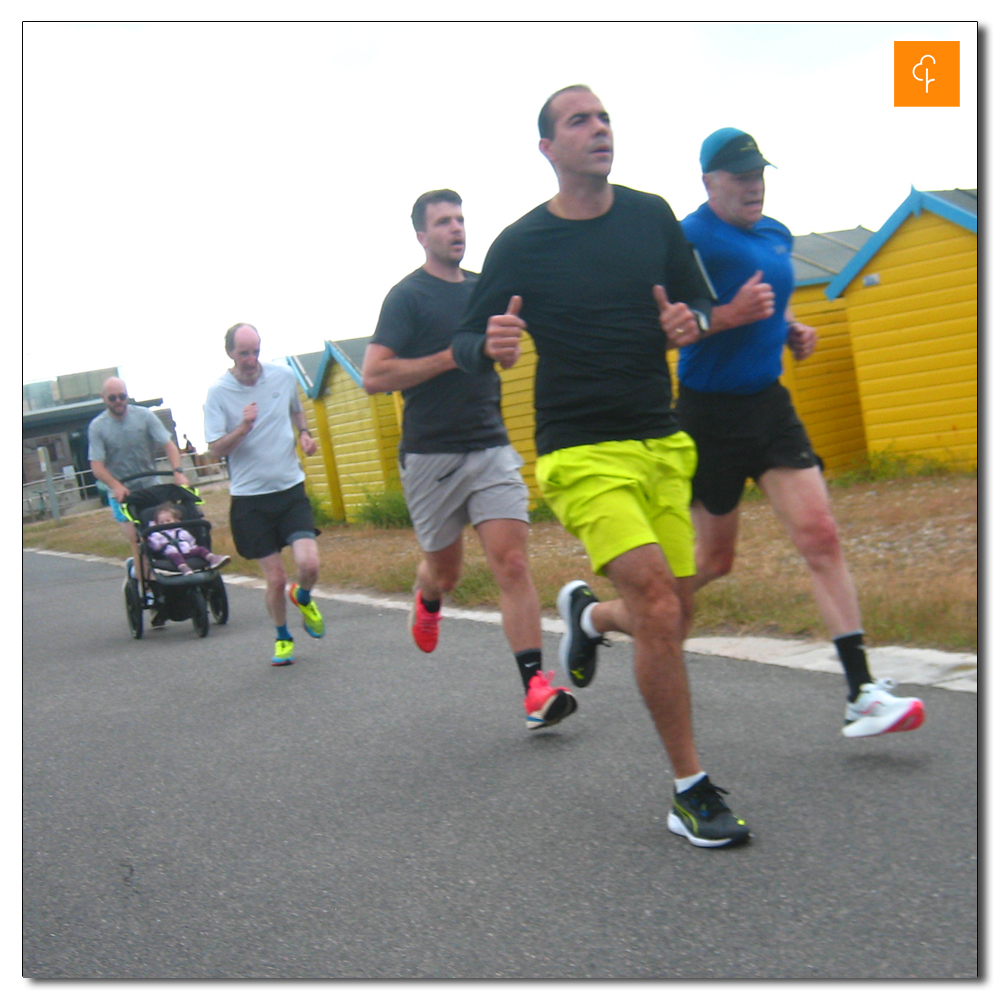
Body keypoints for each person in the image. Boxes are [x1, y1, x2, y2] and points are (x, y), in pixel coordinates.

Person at [451, 85, 750, 848]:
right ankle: (690, 790)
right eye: (579, 120)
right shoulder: (520, 245)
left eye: (605, 116)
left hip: (660, 439)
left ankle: (587, 616)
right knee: (656, 602)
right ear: (548, 149)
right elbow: (465, 339)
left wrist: (692, 322)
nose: (599, 128)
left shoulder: (650, 216)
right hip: (581, 449)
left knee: (673, 616)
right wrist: (489, 345)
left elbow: (699, 310)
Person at [677, 128, 925, 739]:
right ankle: (600, 616)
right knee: (714, 560)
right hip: (708, 415)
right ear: (708, 182)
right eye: (738, 175)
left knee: (821, 534)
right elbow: (666, 324)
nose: (752, 184)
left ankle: (860, 689)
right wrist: (727, 318)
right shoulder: (688, 240)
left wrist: (791, 327)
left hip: (769, 404)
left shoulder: (775, 234)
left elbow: (774, 299)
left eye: (758, 172)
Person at [361, 189, 576, 731]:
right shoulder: (406, 297)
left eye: (459, 219)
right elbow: (374, 376)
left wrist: (505, 346)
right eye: (442, 222)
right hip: (430, 455)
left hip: (490, 444)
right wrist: (452, 356)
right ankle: (427, 594)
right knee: (447, 571)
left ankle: (535, 687)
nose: (455, 229)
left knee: (513, 561)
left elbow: (503, 345)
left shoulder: (486, 290)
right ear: (421, 236)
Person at [204, 323, 325, 667]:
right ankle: (283, 637)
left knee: (309, 564)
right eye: (244, 353)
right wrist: (243, 427)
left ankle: (303, 597)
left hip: (289, 488)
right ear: (229, 352)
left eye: (255, 350)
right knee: (275, 578)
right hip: (251, 500)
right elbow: (214, 450)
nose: (251, 359)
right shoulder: (218, 393)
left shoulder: (283, 377)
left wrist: (304, 433)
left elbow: (295, 408)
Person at [88, 376, 190, 596]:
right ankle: (145, 585)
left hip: (150, 486)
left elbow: (168, 445)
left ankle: (176, 569)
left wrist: (177, 472)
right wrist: (115, 485)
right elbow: (97, 466)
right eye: (112, 398)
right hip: (122, 493)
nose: (118, 401)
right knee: (138, 539)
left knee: (167, 529)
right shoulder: (98, 427)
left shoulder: (144, 416)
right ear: (103, 398)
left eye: (122, 397)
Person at [146, 501, 231, 575]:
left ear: (176, 520)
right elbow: (156, 546)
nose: (165, 524)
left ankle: (213, 558)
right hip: (171, 554)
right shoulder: (158, 534)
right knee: (175, 556)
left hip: (187, 551)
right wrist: (150, 541)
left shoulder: (181, 531)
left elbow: (191, 540)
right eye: (162, 522)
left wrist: (193, 548)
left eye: (168, 521)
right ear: (157, 524)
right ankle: (184, 568)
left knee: (201, 549)